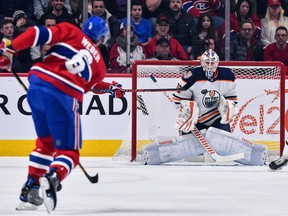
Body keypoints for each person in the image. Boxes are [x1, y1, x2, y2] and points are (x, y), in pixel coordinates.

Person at [0, 16, 125, 213]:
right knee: (69, 153)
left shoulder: (70, 30)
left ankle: (30, 191)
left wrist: (10, 49)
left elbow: (36, 34)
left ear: (84, 27)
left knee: (45, 143)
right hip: (64, 96)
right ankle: (53, 177)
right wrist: (111, 89)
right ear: (101, 39)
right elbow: (92, 85)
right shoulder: (100, 65)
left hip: (38, 84)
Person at [143, 49, 267, 166]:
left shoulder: (228, 75)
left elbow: (232, 99)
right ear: (201, 62)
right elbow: (178, 99)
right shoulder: (192, 76)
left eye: (212, 62)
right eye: (207, 62)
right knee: (192, 156)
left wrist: (228, 107)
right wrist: (187, 110)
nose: (209, 65)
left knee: (222, 148)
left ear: (217, 62)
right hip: (195, 120)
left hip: (216, 119)